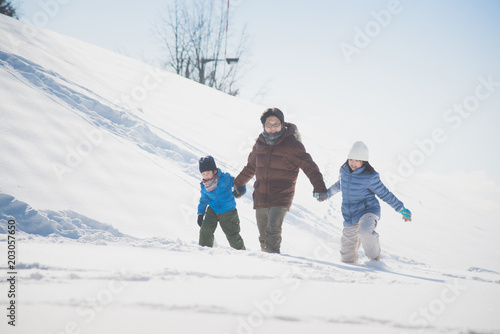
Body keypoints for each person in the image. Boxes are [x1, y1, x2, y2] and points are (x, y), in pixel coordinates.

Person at [233, 108, 327, 254]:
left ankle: (274, 259)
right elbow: (251, 166)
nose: (272, 128)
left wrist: (319, 187)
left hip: (282, 195)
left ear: (282, 124)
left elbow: (309, 166)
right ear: (263, 126)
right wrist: (238, 183)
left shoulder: (292, 144)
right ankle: (266, 260)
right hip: (261, 195)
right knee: (263, 234)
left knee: (273, 230)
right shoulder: (260, 143)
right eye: (268, 125)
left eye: (276, 124)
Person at [316, 141, 412, 263]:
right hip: (350, 215)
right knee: (347, 258)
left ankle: (374, 259)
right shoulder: (344, 172)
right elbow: (340, 185)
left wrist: (401, 208)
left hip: (368, 211)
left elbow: (385, 194)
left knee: (365, 231)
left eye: (357, 160)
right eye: (351, 159)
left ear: (363, 161)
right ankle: (350, 272)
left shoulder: (370, 177)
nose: (353, 163)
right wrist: (327, 194)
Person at [197, 155, 246, 250]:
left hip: (228, 211)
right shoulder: (204, 186)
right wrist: (200, 214)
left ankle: (242, 253)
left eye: (208, 173)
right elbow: (203, 200)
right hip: (213, 210)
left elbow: (238, 183)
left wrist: (240, 190)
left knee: (232, 235)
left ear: (214, 171)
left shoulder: (225, 178)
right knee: (205, 229)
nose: (205, 176)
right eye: (203, 174)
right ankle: (204, 251)